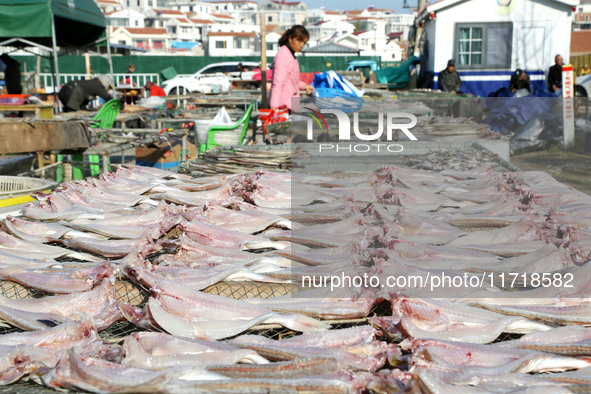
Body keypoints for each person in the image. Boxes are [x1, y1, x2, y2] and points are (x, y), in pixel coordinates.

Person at [268, 25, 315, 111]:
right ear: (290, 38)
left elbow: (291, 81)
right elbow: (277, 83)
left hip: (292, 103)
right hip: (283, 106)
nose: (302, 45)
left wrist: (305, 86)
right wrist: (274, 107)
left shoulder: (290, 54)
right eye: (299, 41)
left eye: (304, 42)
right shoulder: (284, 55)